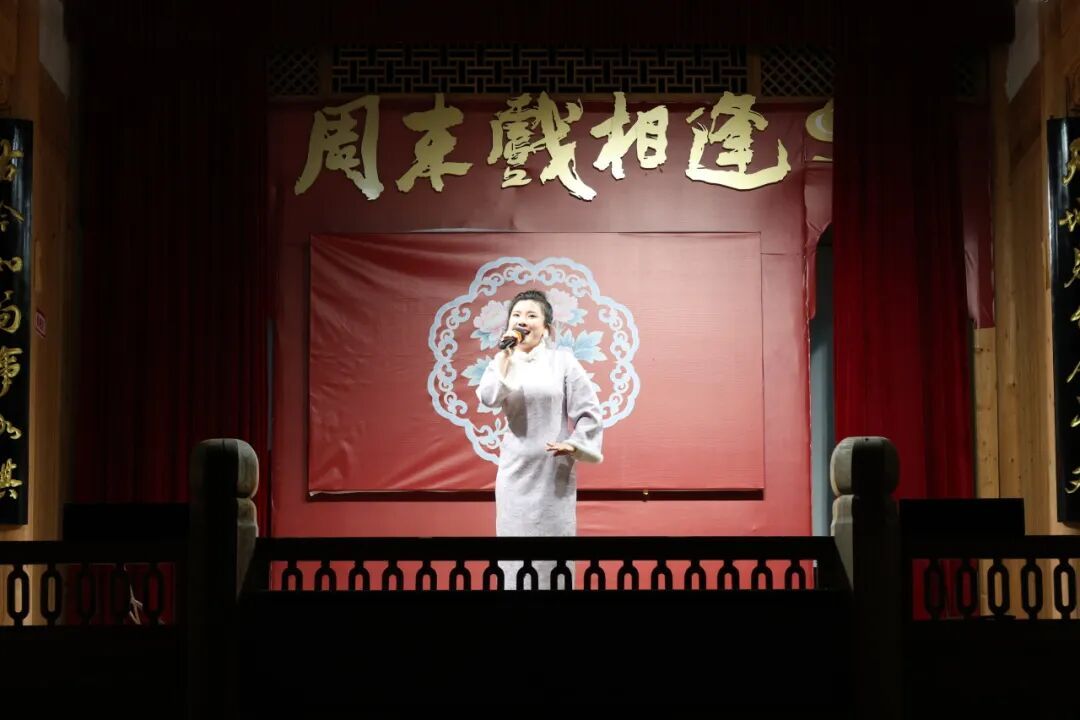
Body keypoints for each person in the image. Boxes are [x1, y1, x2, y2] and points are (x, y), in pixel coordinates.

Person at [476, 289, 604, 589]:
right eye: (516, 315)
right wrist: (504, 357)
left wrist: (575, 444)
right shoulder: (503, 361)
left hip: (552, 472)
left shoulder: (563, 362)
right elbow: (488, 397)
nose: (522, 320)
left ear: (545, 328)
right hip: (515, 473)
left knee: (553, 556)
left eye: (531, 315)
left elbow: (590, 412)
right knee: (515, 558)